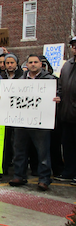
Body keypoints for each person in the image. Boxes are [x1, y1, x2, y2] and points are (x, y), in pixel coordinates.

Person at [8, 54, 55, 191]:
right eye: (30, 62)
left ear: (41, 64)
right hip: (22, 121)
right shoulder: (20, 80)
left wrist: (57, 97)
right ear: (26, 65)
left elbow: (58, 93)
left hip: (41, 122)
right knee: (19, 149)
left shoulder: (49, 80)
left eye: (36, 62)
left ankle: (44, 179)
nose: (33, 64)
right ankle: (19, 175)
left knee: (43, 151)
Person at [54, 36, 76, 186]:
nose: (75, 47)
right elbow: (61, 87)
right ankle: (69, 171)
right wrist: (58, 98)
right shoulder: (67, 65)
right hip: (67, 114)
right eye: (73, 45)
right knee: (68, 145)